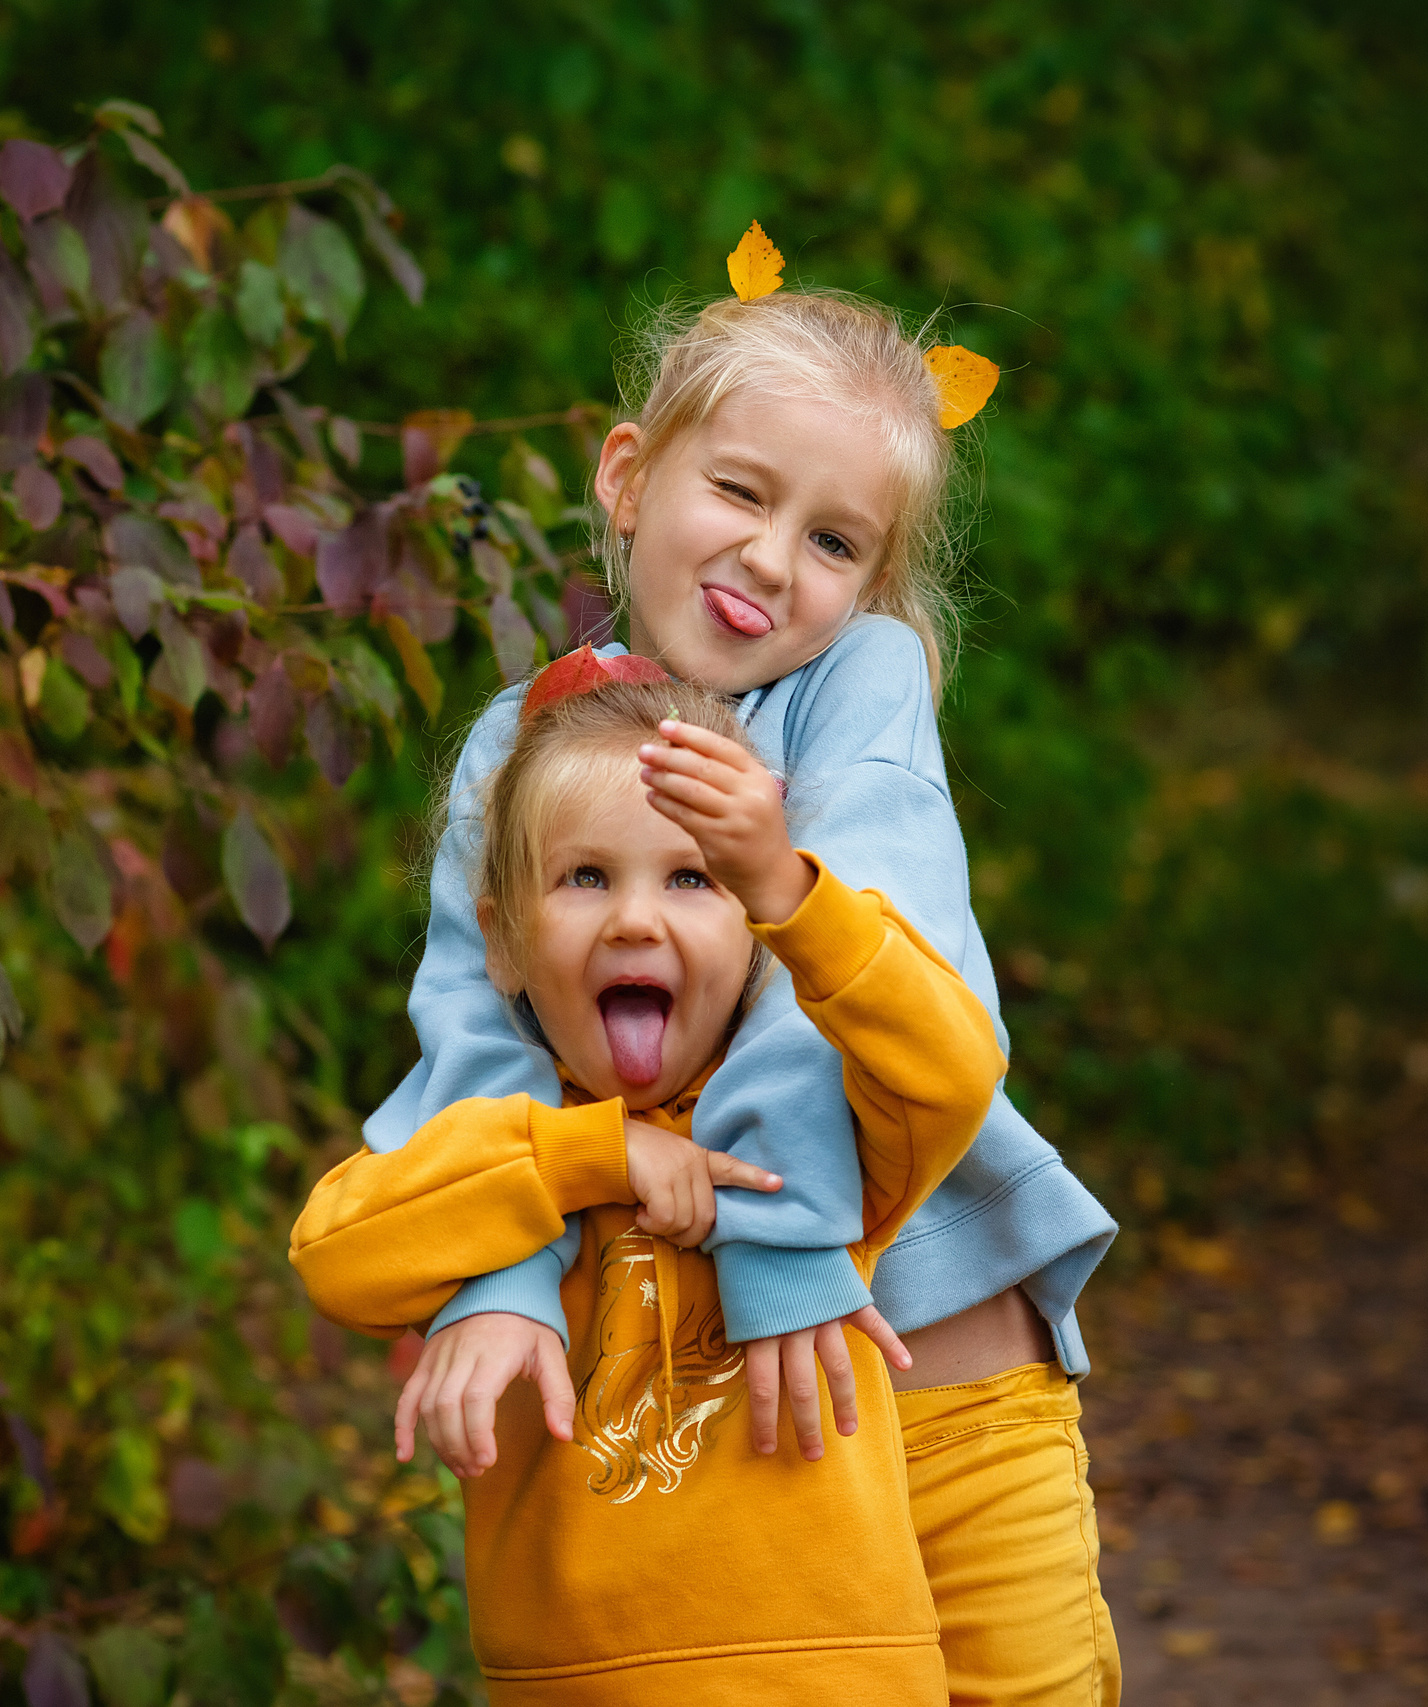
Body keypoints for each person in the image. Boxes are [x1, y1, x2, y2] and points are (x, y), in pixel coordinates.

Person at [367, 244, 1124, 1704]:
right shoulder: (517, 743)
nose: (777, 559)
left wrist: (782, 1244)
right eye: (743, 492)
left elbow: (860, 962)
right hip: (742, 1424)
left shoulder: (858, 684)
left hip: (943, 1377)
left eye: (837, 541)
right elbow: (481, 1031)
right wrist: (502, 1273)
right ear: (630, 473)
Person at [293, 671, 999, 1702]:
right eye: (585, 876)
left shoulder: (815, 1137)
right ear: (500, 938)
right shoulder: (496, 1155)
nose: (633, 920)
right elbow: (336, 1254)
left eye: (690, 879)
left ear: (750, 924)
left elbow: (953, 1068)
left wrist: (793, 898)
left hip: (835, 1677)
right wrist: (597, 1157)